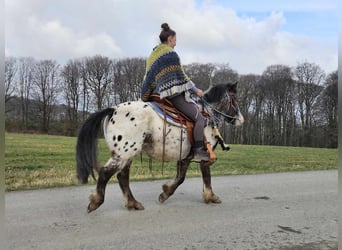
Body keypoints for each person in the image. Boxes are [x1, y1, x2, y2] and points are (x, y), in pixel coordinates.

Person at [141, 23, 209, 162]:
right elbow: (182, 77)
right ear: (170, 39)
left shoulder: (152, 56)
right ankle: (198, 151)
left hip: (154, 97)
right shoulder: (171, 54)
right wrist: (197, 91)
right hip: (172, 96)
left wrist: (145, 96)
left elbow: (148, 79)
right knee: (200, 119)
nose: (176, 43)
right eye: (175, 40)